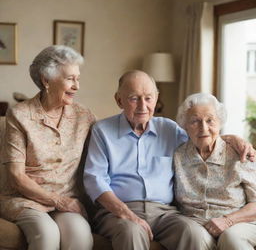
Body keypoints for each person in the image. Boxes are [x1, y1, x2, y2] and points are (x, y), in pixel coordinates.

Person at [83, 70, 255, 250]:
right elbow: (94, 179)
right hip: (118, 212)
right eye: (134, 98)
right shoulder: (102, 131)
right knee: (131, 231)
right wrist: (126, 214)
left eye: (148, 98)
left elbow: (202, 137)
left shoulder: (169, 129)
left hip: (164, 213)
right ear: (119, 100)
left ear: (156, 98)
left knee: (192, 232)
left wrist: (233, 139)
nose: (143, 106)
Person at [0, 45, 95, 250]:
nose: (77, 86)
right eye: (70, 79)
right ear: (46, 80)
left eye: (78, 79)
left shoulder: (83, 115)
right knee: (47, 234)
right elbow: (15, 176)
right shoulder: (20, 115)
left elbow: (108, 142)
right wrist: (58, 200)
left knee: (81, 235)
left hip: (67, 198)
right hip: (25, 199)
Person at [174, 92, 256, 250]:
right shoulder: (178, 156)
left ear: (220, 122)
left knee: (230, 237)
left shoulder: (240, 154)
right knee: (195, 237)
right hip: (195, 222)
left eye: (210, 120)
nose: (203, 128)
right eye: (195, 121)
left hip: (240, 221)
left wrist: (227, 220)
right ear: (185, 126)